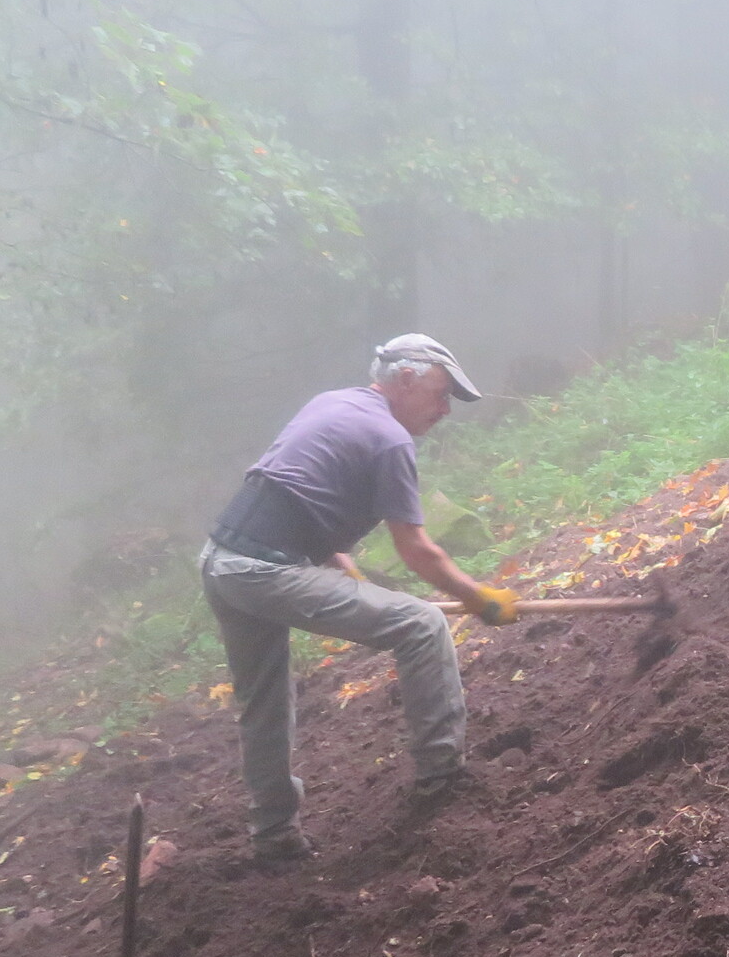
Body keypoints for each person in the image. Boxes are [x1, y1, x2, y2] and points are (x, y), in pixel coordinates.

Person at [200, 334, 519, 863]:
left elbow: (302, 497)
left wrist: (348, 575)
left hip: (222, 562)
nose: (444, 410)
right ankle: (443, 780)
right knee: (422, 626)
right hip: (264, 570)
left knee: (264, 701)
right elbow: (415, 549)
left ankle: (274, 834)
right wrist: (480, 598)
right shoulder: (389, 439)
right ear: (406, 378)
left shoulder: (333, 404)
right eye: (441, 394)